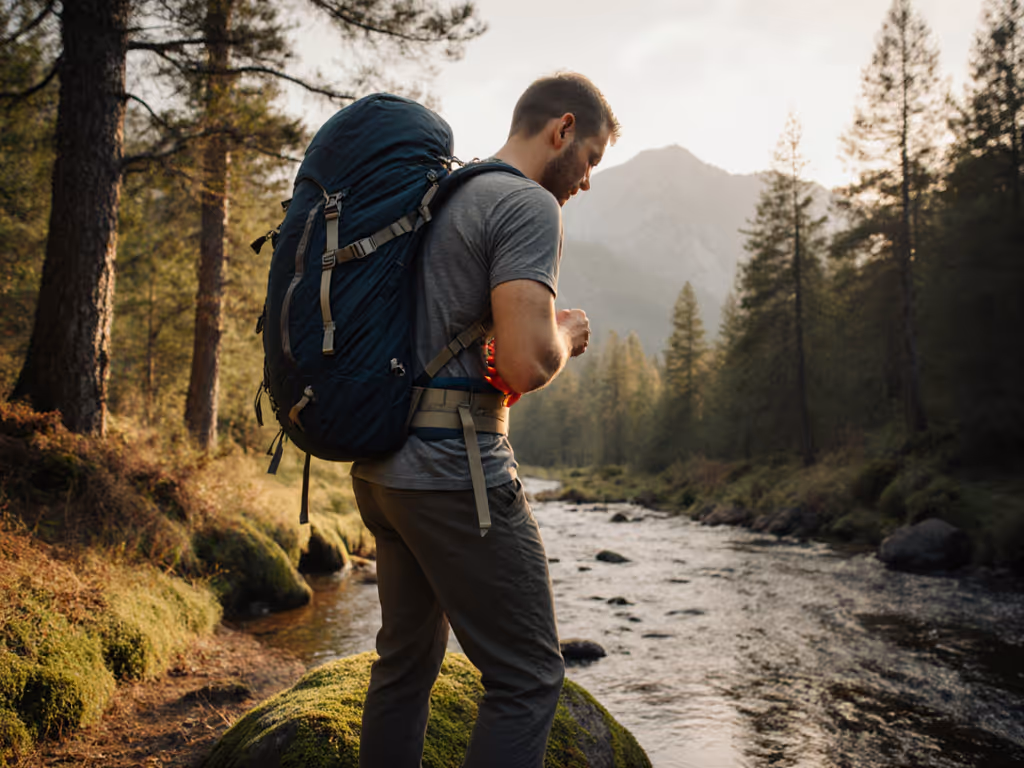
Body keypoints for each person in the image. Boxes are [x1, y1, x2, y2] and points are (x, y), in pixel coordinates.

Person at [350, 72, 619, 768]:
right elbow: (529, 364)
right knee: (529, 679)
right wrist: (565, 334)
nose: (585, 182)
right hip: (453, 469)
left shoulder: (442, 196)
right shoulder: (527, 206)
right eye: (588, 159)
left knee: (403, 666)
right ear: (562, 130)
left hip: (383, 467)